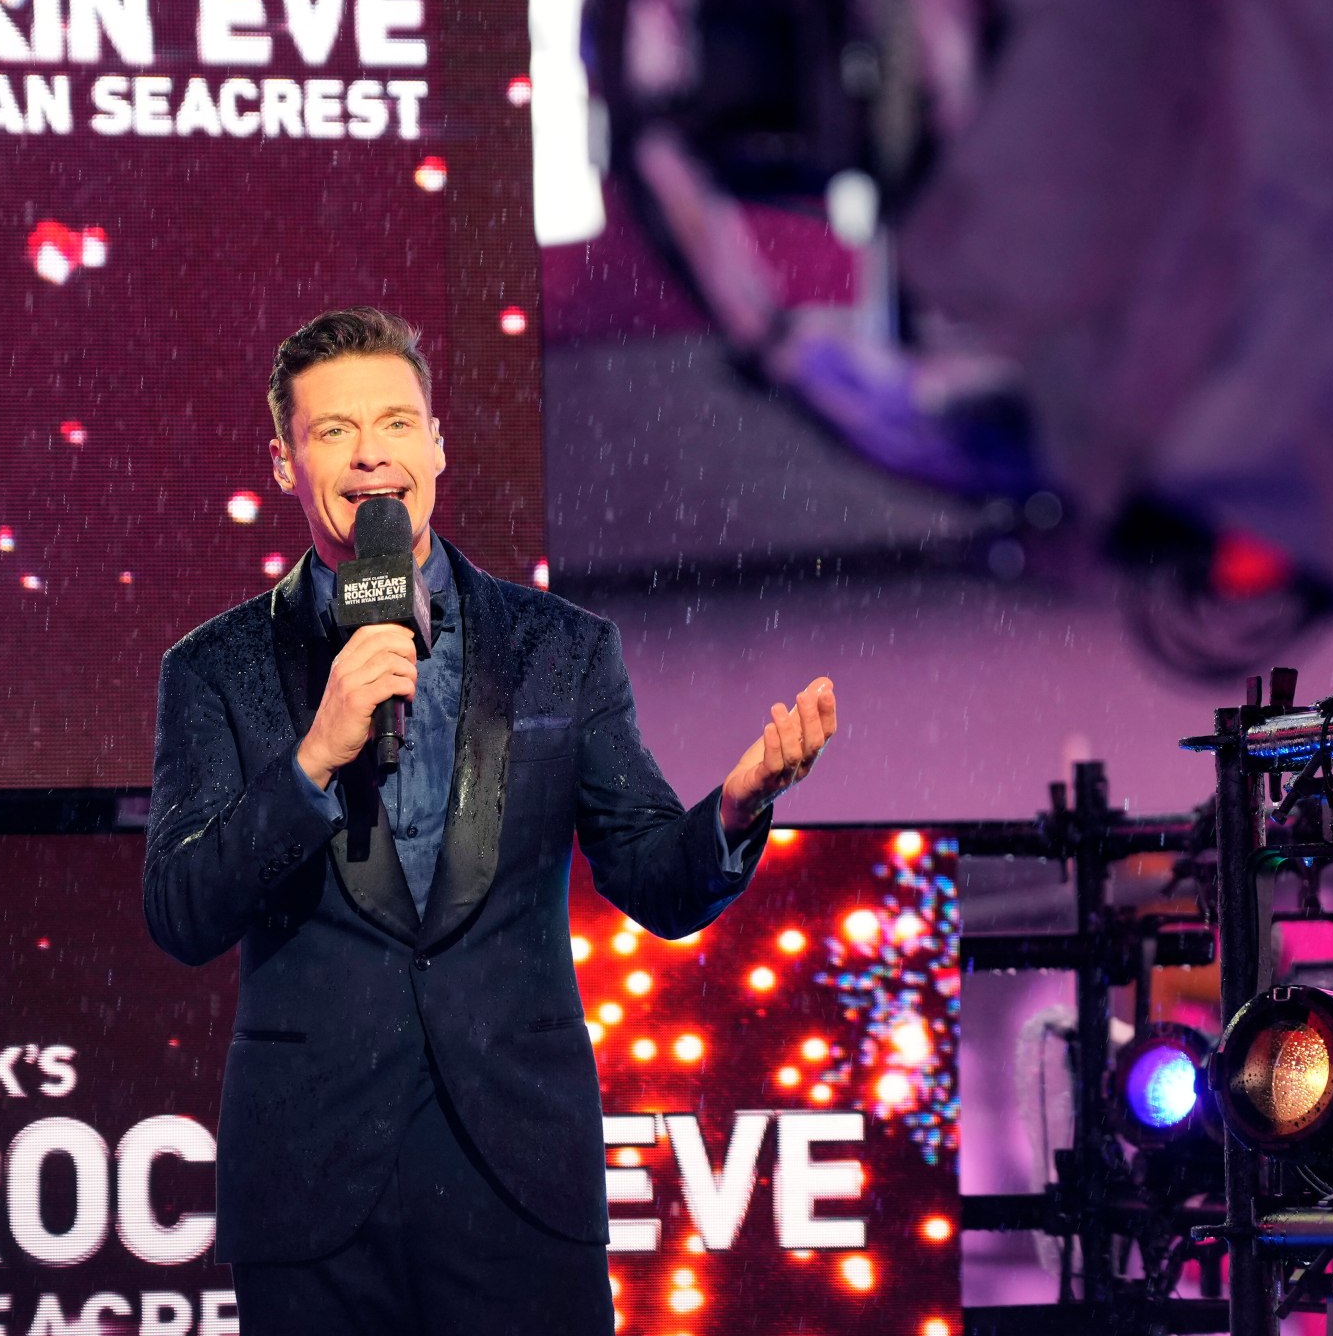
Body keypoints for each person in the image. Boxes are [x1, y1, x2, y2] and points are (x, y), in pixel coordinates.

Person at [143, 307, 838, 1335]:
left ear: (435, 445)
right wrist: (314, 757)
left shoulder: (560, 647)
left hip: (518, 1174)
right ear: (285, 463)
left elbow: (654, 878)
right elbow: (181, 911)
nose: (369, 451)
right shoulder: (215, 668)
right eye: (331, 430)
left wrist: (733, 810)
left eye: (394, 422)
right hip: (312, 1186)